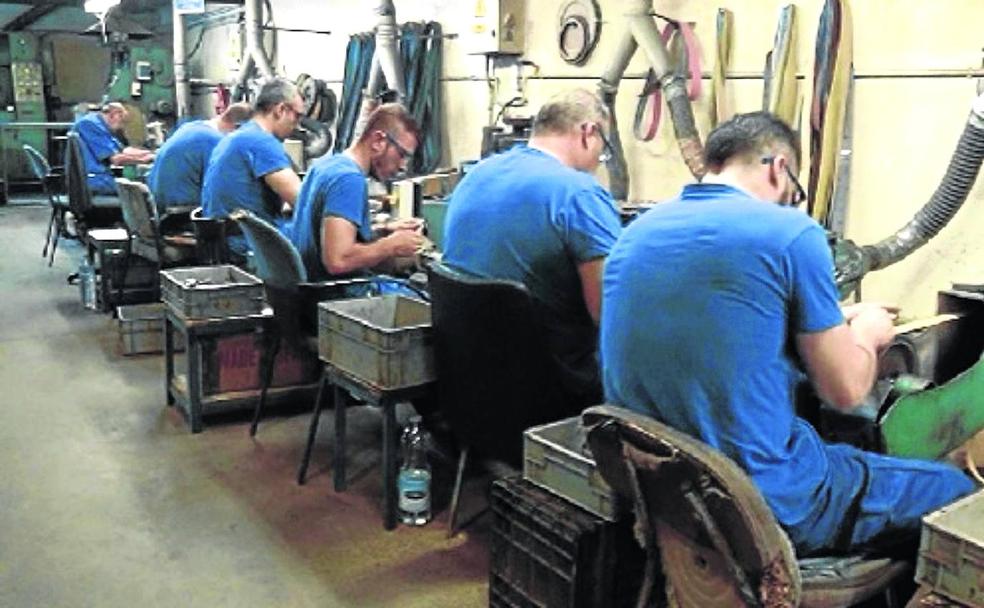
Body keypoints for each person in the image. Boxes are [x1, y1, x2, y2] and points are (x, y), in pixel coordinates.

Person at [599, 111, 977, 556]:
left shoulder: (636, 233)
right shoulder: (792, 233)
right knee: (956, 492)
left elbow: (721, 324)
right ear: (779, 167)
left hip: (664, 496)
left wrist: (828, 320)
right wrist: (870, 333)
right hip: (763, 503)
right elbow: (846, 391)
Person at [441, 89, 622, 409]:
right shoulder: (579, 193)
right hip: (551, 390)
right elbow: (608, 315)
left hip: (468, 383)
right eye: (603, 150)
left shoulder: (478, 174)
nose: (598, 161)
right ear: (588, 132)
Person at [287, 103, 424, 282]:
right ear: (378, 141)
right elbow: (338, 261)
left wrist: (382, 230)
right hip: (335, 298)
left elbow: (323, 233)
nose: (403, 166)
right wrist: (391, 245)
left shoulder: (326, 165)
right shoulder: (349, 179)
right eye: (402, 155)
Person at [201, 77, 304, 257]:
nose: (298, 125)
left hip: (224, 241)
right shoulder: (261, 142)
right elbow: (303, 201)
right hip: (246, 245)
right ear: (280, 110)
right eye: (297, 116)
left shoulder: (240, 135)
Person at [147, 102, 253, 213]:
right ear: (238, 127)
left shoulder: (191, 127)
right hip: (182, 215)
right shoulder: (214, 141)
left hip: (161, 207)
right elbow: (224, 189)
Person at [71, 102, 154, 195]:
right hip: (96, 180)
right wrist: (146, 159)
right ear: (113, 114)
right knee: (146, 189)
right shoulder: (89, 124)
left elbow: (124, 150)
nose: (122, 126)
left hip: (102, 178)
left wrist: (153, 154)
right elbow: (116, 159)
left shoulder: (101, 126)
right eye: (122, 121)